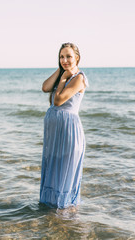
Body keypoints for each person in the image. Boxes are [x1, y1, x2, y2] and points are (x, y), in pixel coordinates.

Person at [40, 42, 89, 209]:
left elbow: (58, 100)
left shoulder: (79, 78)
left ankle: (66, 217)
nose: (65, 59)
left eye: (68, 56)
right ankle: (53, 216)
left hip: (69, 132)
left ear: (77, 58)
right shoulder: (65, 74)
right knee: (54, 170)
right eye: (61, 56)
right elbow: (45, 87)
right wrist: (62, 70)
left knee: (65, 173)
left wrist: (63, 79)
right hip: (55, 134)